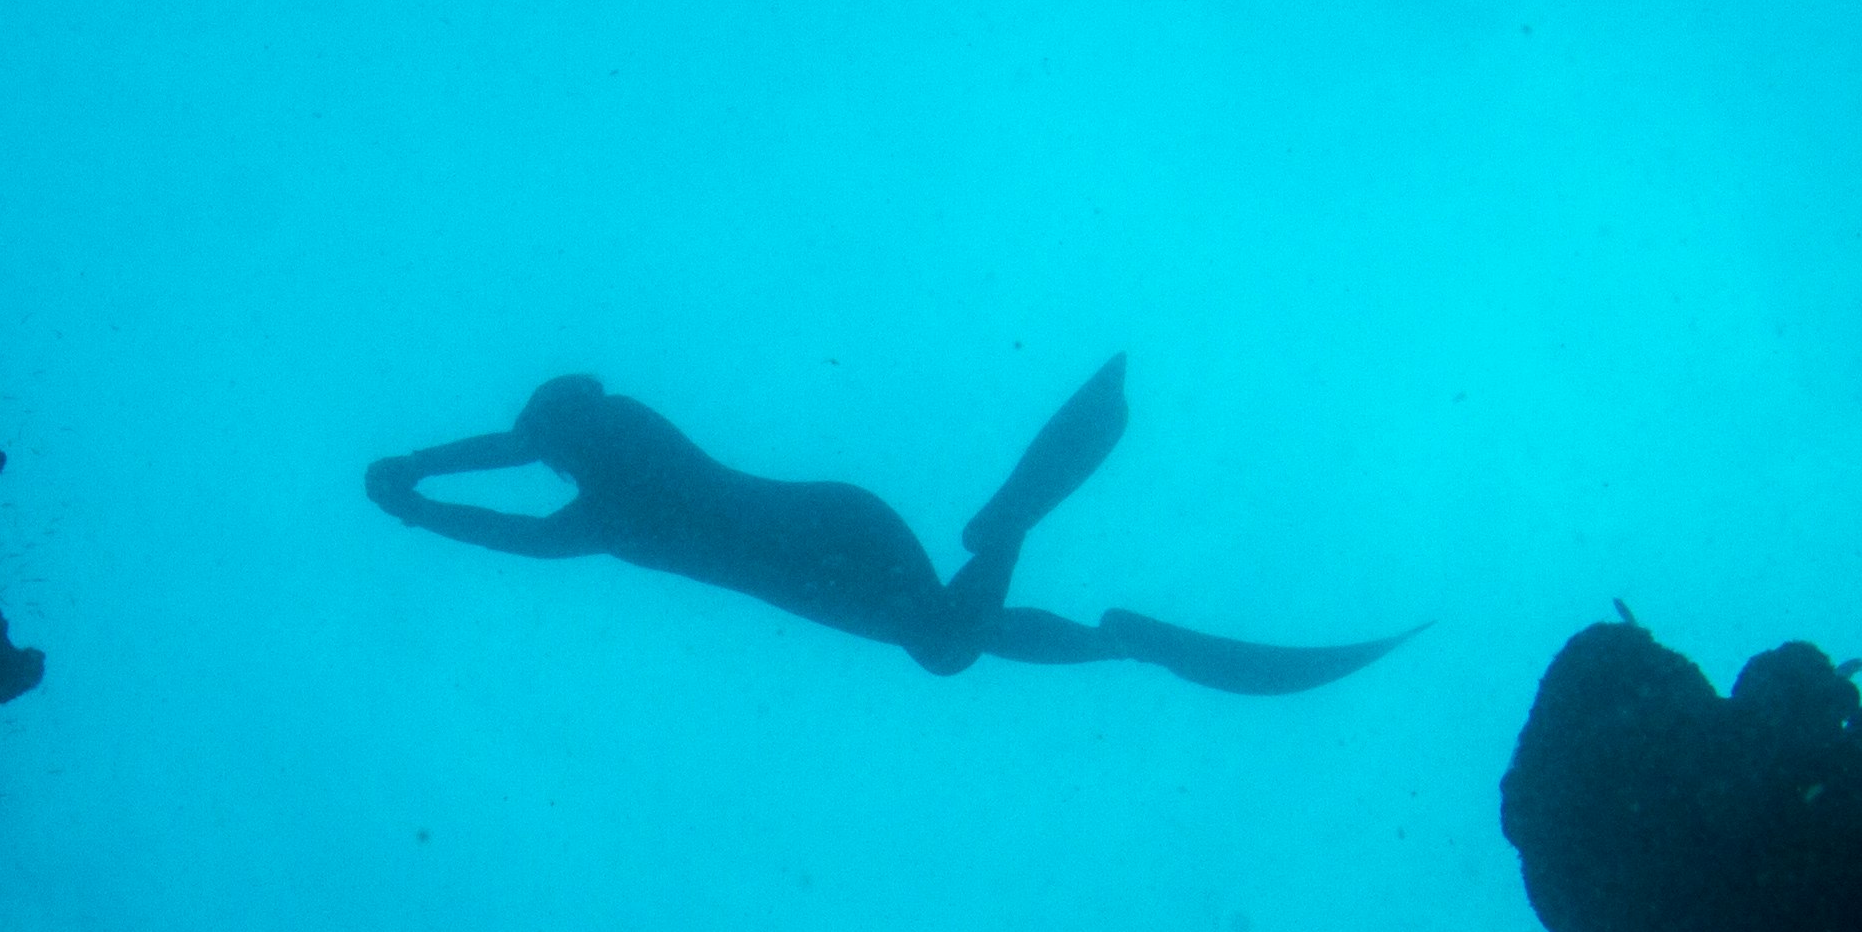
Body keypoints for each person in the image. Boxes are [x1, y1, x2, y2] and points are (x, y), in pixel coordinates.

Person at [364, 356, 1414, 692]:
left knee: (947, 647)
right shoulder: (624, 431)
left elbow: (515, 496)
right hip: (839, 520)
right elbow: (525, 442)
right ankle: (1090, 615)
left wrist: (416, 498)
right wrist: (417, 474)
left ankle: (1030, 544)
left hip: (814, 559)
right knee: (950, 639)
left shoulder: (597, 510)